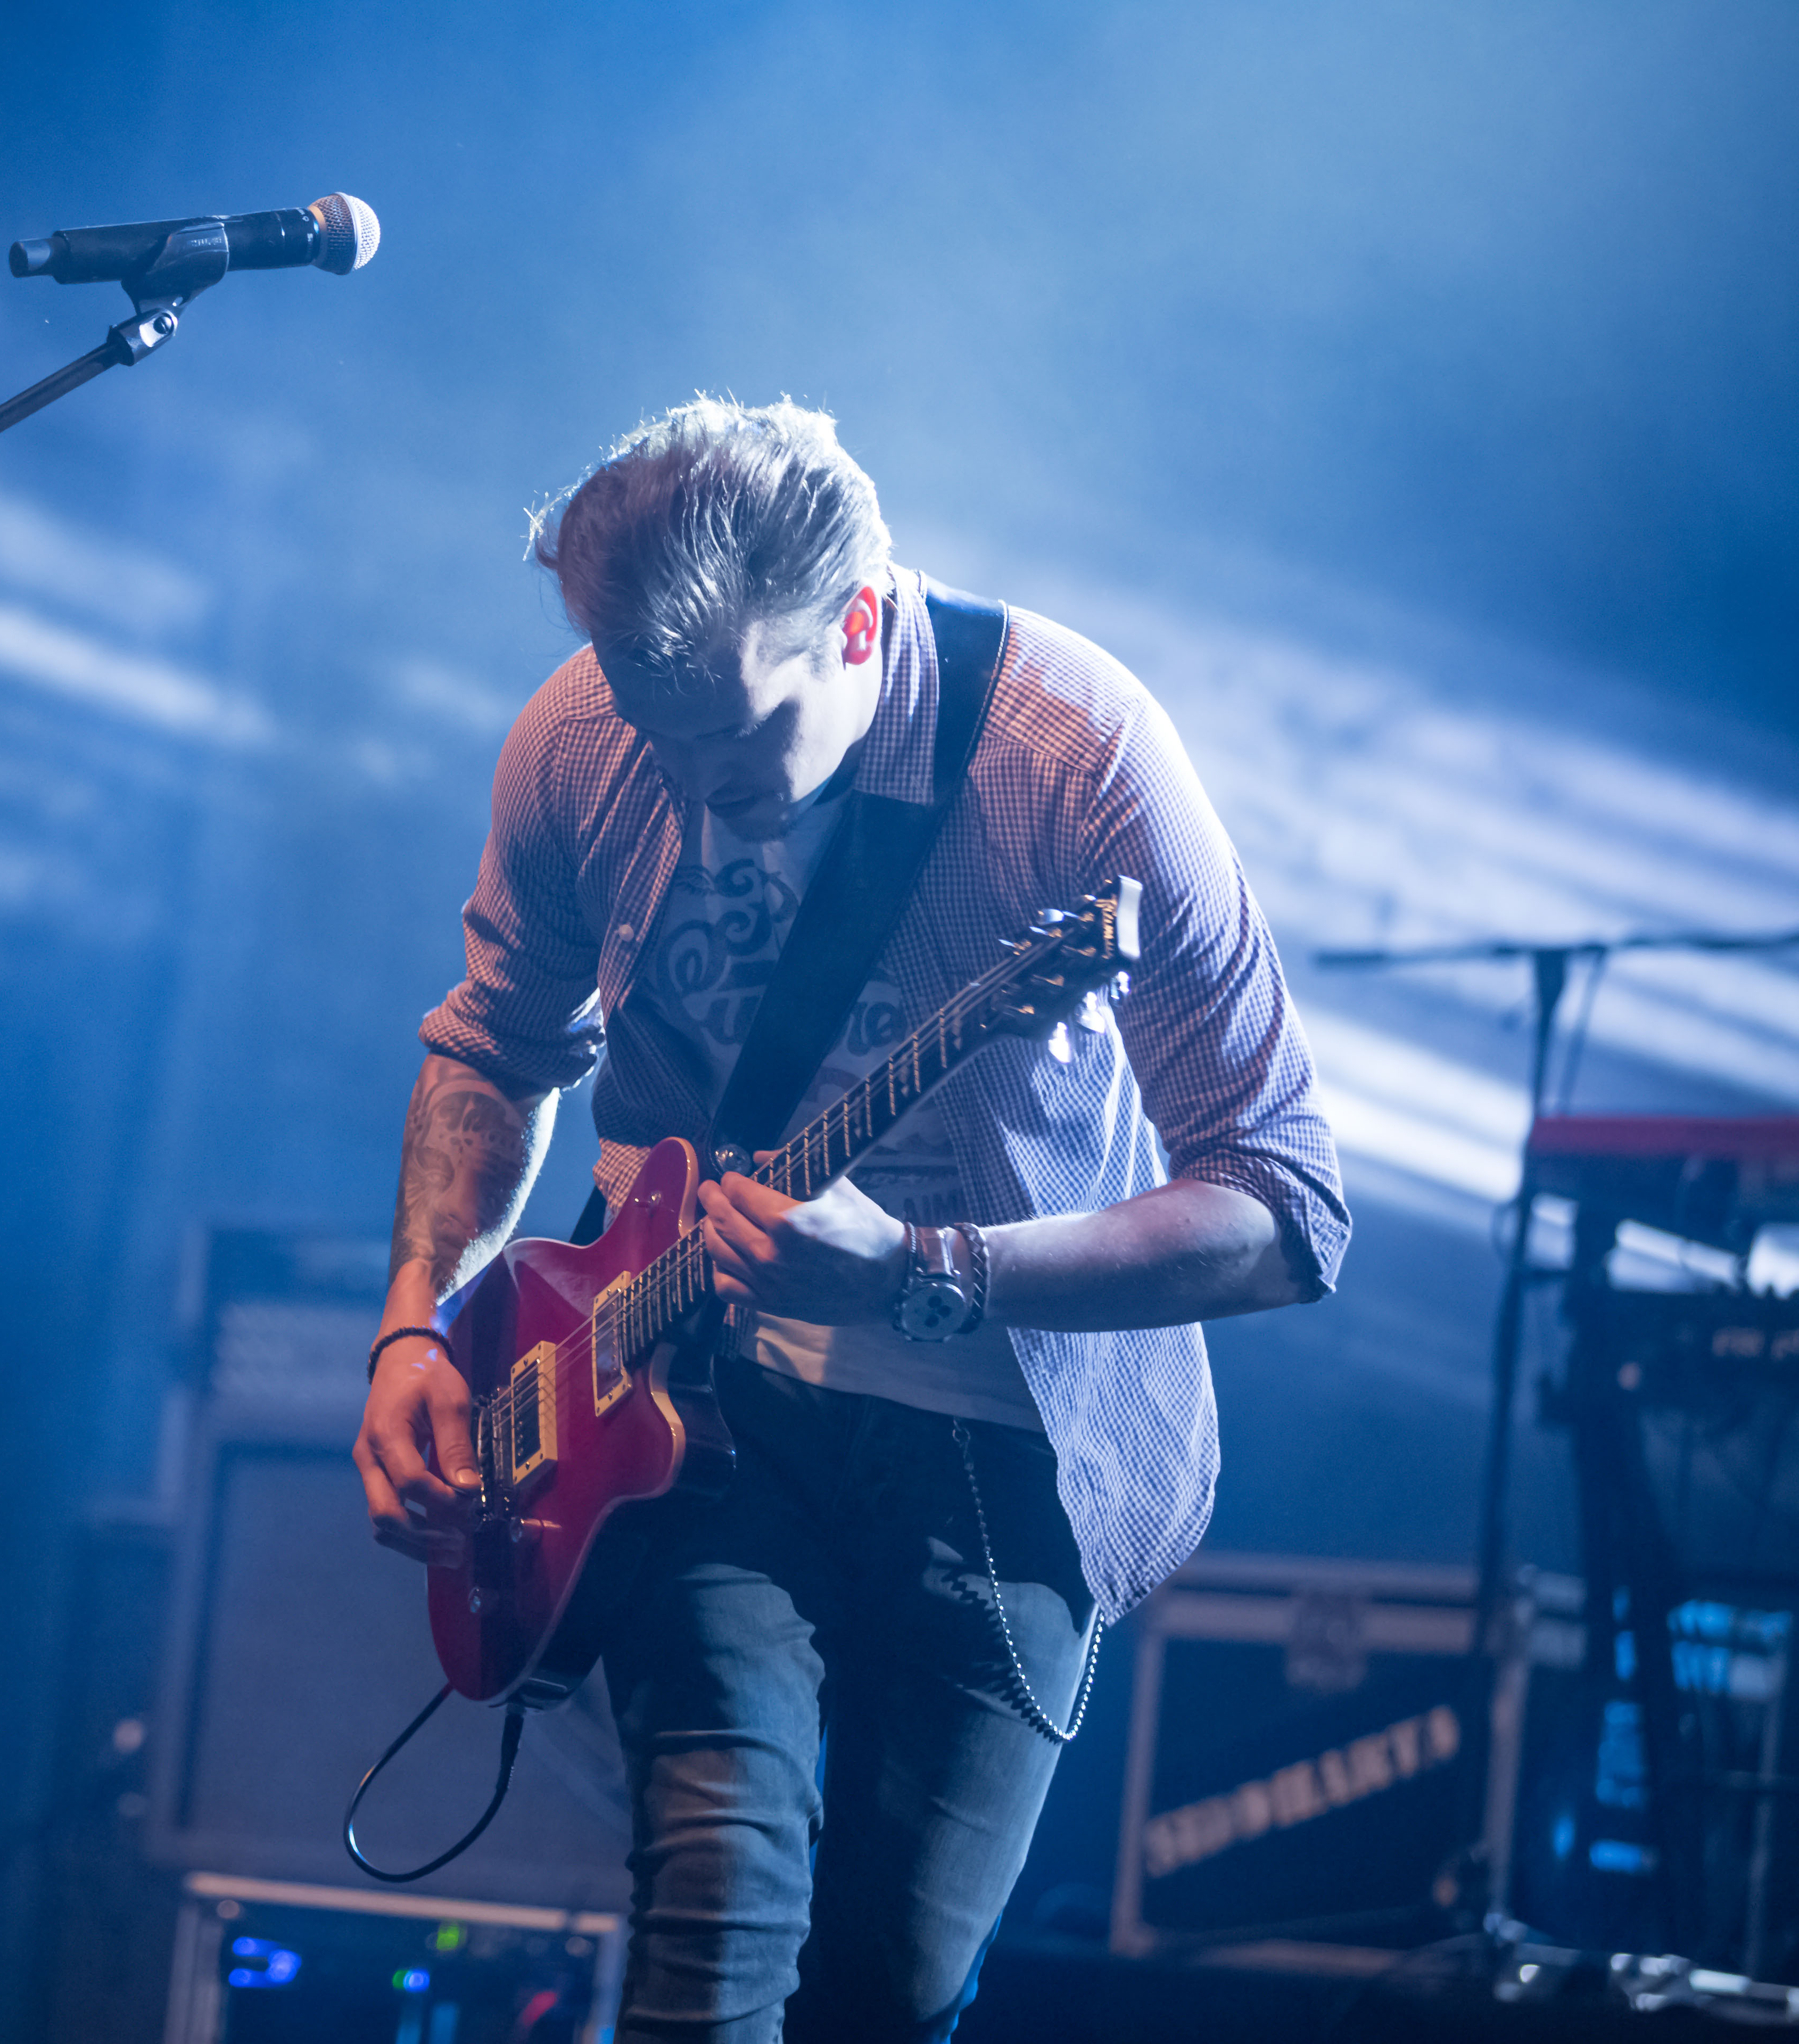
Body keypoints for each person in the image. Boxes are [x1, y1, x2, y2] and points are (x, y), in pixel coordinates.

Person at [353, 399, 1348, 2040]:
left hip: (1000, 1437)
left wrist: (926, 1273)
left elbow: (1287, 1204)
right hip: (679, 1403)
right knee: (709, 1935)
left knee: (891, 1993)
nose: (694, 787)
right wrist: (415, 1319)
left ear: (860, 623)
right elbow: (495, 1047)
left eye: (739, 740)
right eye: (658, 734)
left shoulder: (1075, 757)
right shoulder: (584, 738)